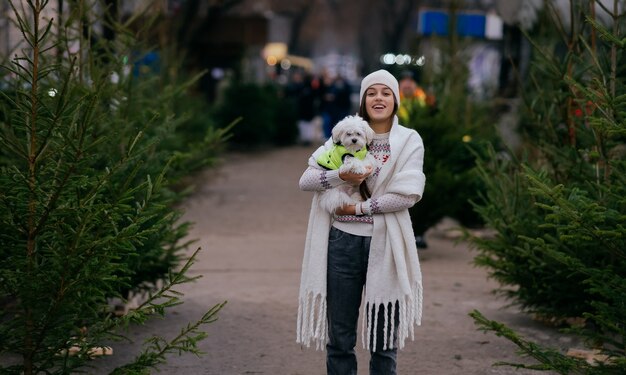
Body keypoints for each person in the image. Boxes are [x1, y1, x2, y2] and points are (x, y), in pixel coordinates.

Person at [297, 69, 426, 375]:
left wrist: (358, 209)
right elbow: (305, 180)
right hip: (342, 243)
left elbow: (407, 196)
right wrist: (338, 175)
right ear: (363, 99)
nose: (378, 98)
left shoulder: (409, 140)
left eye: (385, 92)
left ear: (395, 99)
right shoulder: (341, 136)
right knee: (340, 337)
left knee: (384, 340)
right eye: (371, 93)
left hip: (387, 245)